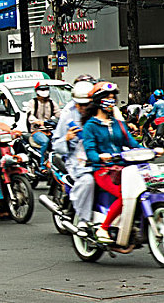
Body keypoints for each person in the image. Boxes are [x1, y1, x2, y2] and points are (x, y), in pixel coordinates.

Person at [82, 82, 142, 243]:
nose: (111, 101)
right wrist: (101, 157)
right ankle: (104, 229)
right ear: (99, 101)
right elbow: (90, 151)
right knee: (125, 196)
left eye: (112, 98)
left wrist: (150, 150)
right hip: (103, 170)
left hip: (125, 168)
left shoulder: (119, 124)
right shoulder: (90, 126)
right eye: (107, 98)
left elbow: (132, 143)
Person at [52, 80, 95, 225]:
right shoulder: (68, 115)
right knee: (88, 181)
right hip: (78, 161)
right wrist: (67, 138)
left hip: (101, 158)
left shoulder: (100, 112)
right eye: (79, 104)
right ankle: (83, 220)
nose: (81, 108)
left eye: (85, 104)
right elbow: (56, 144)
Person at [26, 82, 61, 172]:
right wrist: (37, 121)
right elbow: (30, 116)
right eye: (42, 89)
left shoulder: (52, 103)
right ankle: (42, 165)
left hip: (50, 129)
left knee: (60, 140)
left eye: (45, 89)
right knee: (45, 141)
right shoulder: (33, 102)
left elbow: (59, 114)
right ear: (37, 91)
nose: (44, 92)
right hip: (37, 131)